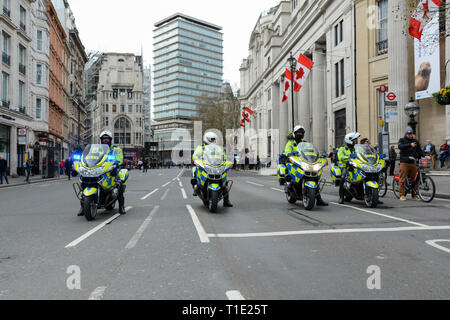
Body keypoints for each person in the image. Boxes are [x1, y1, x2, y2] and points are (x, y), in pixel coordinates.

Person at [78, 131, 126, 216]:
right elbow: (92, 157)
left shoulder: (116, 149)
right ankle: (83, 207)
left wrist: (117, 163)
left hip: (111, 169)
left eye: (107, 139)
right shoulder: (97, 149)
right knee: (83, 180)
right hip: (99, 169)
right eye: (104, 139)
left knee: (119, 183)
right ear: (101, 140)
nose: (105, 140)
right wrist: (84, 162)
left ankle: (121, 207)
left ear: (110, 140)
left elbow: (120, 159)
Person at [282, 125, 328, 206]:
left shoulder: (305, 143)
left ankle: (319, 199)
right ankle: (289, 184)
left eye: (301, 133)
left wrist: (318, 156)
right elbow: (287, 151)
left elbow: (311, 151)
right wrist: (289, 154)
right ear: (294, 133)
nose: (299, 134)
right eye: (298, 133)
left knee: (315, 178)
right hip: (295, 162)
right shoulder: (290, 143)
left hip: (306, 162)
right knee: (289, 171)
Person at [191, 132, 233, 207]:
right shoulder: (201, 147)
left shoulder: (218, 148)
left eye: (214, 139)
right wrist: (197, 160)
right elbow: (195, 156)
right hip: (205, 166)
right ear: (207, 139)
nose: (213, 141)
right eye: (212, 139)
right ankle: (196, 187)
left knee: (224, 183)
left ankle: (226, 201)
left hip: (217, 166)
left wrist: (227, 161)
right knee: (196, 170)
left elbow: (223, 156)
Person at [398, 127, 426, 201]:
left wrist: (425, 155)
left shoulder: (415, 141)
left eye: (411, 133)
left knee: (414, 180)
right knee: (402, 179)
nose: (410, 135)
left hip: (413, 162)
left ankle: (414, 194)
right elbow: (400, 146)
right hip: (404, 162)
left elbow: (419, 150)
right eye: (408, 134)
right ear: (406, 134)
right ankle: (401, 195)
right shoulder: (402, 140)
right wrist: (410, 145)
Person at [337, 132, 361, 204]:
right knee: (343, 178)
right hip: (345, 166)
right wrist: (348, 158)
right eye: (354, 140)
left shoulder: (356, 148)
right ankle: (341, 197)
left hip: (356, 165)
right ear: (349, 140)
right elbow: (340, 157)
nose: (356, 141)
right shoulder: (342, 149)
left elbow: (362, 154)